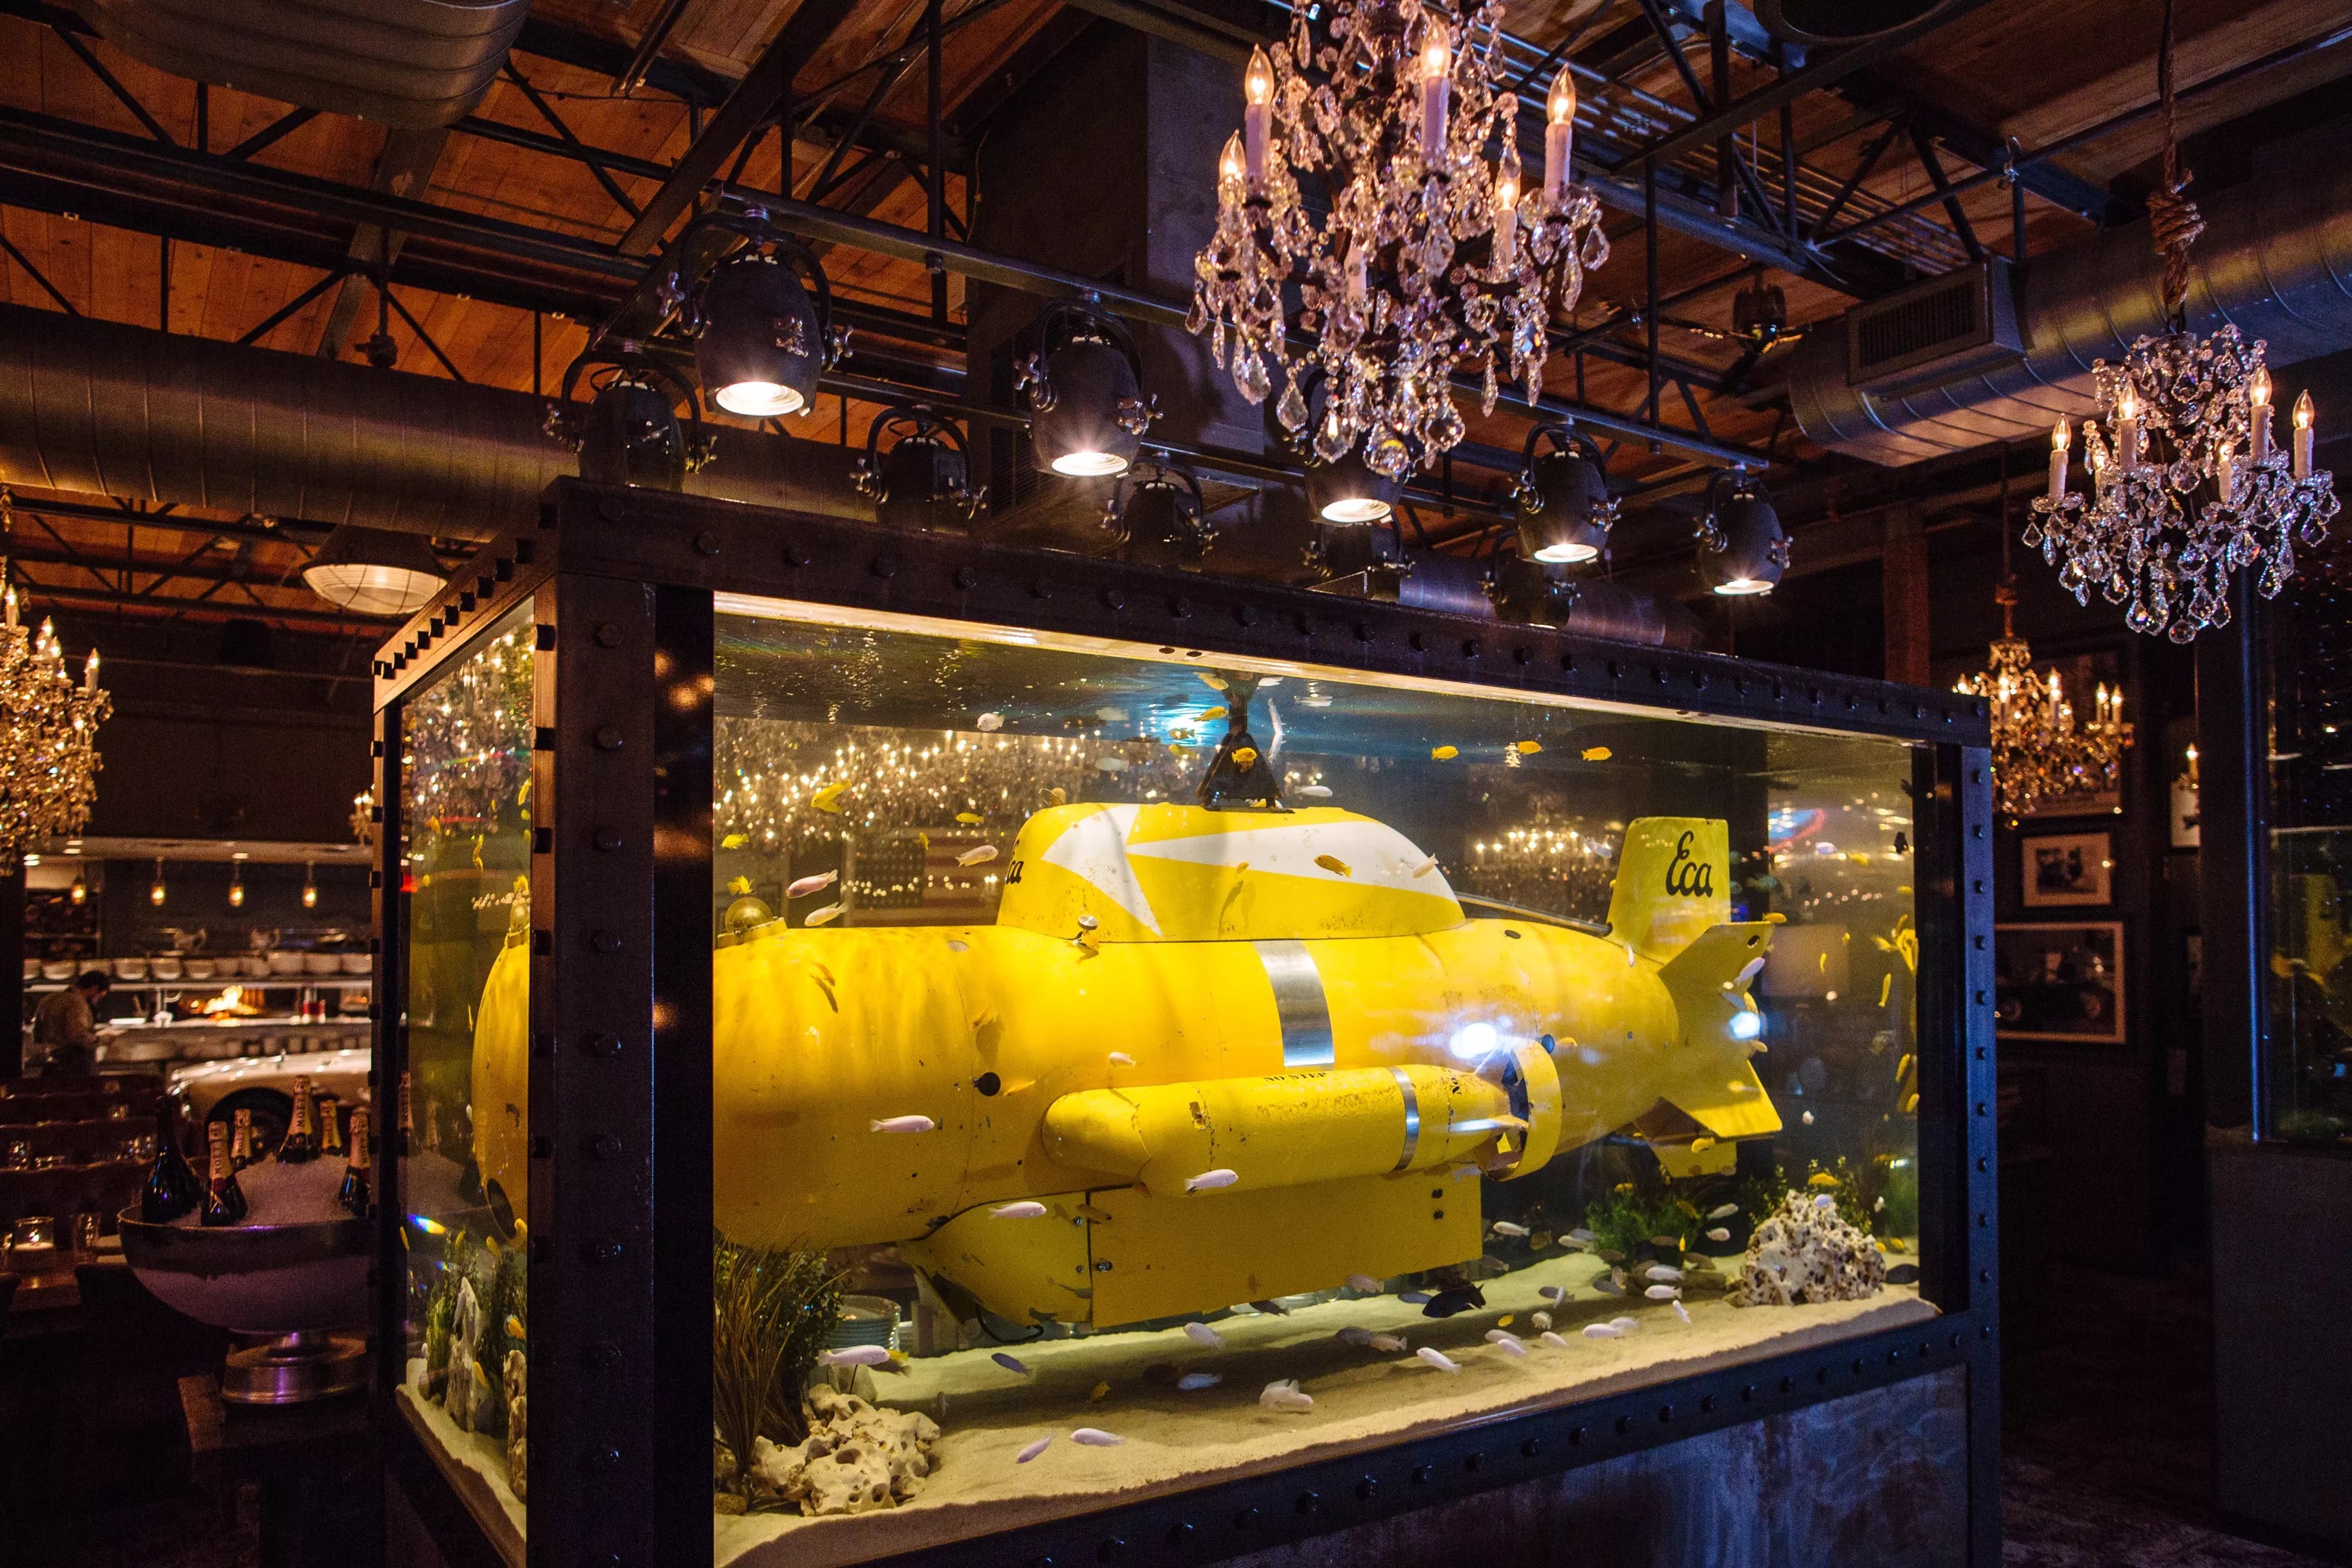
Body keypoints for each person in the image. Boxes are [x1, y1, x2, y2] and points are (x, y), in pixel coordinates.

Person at [32, 970, 110, 1077]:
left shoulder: (47, 1000)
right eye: (99, 996)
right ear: (95, 989)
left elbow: (37, 1036)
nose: (96, 1001)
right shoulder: (77, 1002)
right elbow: (78, 1035)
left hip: (50, 1067)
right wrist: (104, 1039)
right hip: (74, 1069)